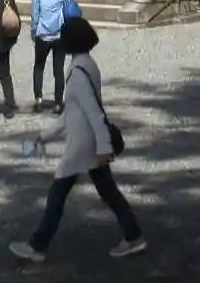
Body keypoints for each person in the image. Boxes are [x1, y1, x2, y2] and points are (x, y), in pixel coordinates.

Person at [8, 16, 145, 263]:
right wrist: (46, 136)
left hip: (83, 144)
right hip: (90, 143)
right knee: (108, 191)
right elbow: (75, 111)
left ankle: (38, 245)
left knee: (58, 192)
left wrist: (103, 147)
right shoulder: (88, 65)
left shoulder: (77, 72)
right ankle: (133, 235)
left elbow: (92, 111)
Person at [29, 0, 76, 114]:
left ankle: (38, 99)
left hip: (42, 34)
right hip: (60, 35)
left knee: (39, 67)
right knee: (58, 70)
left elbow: (35, 16)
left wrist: (33, 31)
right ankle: (58, 103)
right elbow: (71, 9)